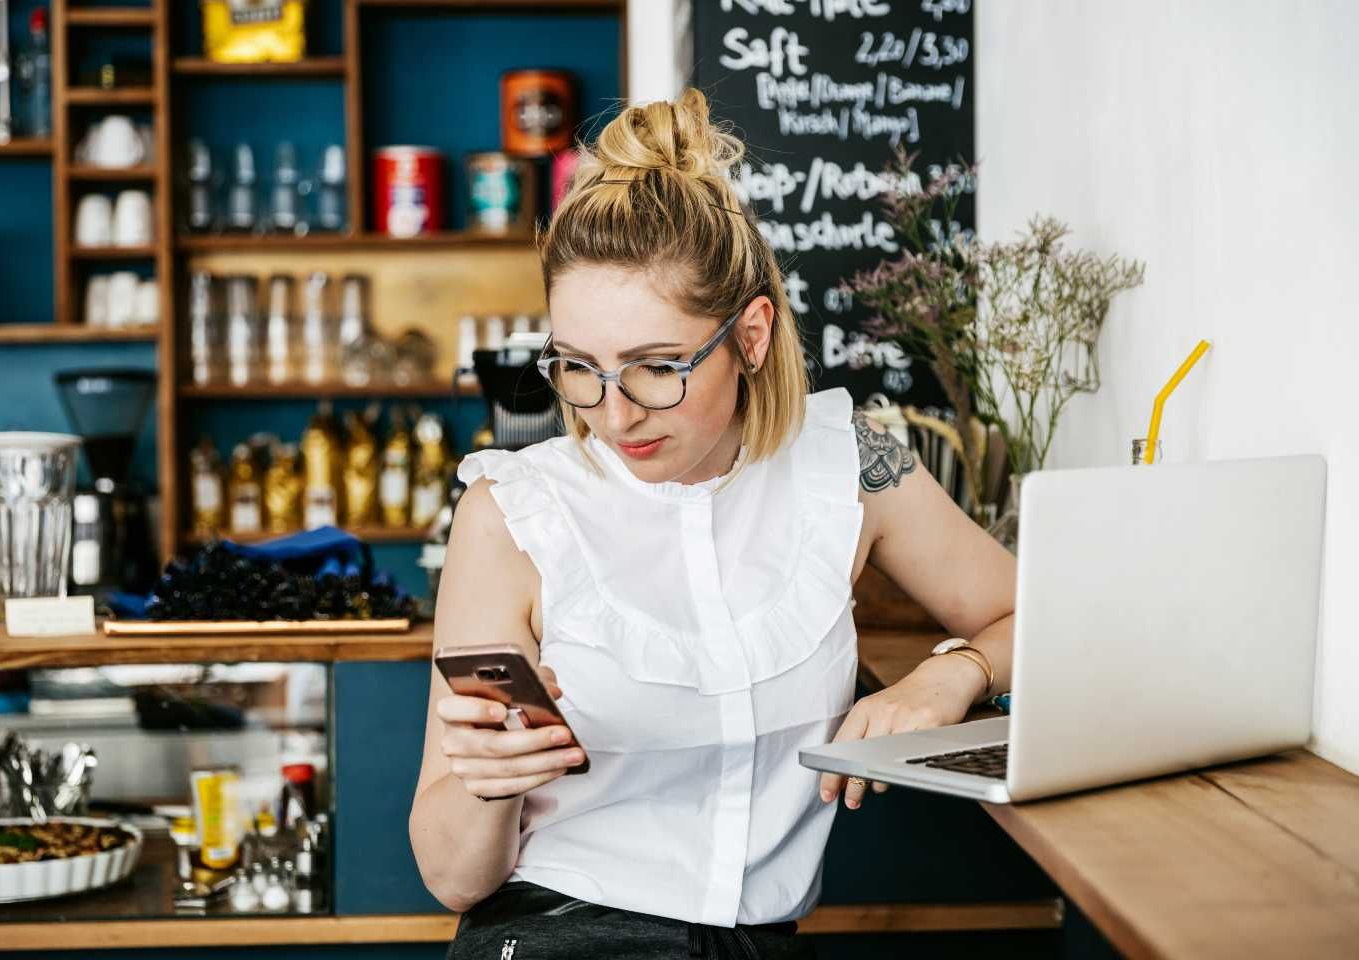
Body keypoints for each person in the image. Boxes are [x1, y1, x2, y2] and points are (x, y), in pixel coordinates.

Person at [410, 89, 1016, 959]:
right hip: (557, 932)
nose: (613, 415)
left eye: (658, 368)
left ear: (754, 335)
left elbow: (1042, 621)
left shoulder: (848, 466)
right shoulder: (512, 513)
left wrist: (952, 675)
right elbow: (452, 880)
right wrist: (489, 786)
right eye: (578, 368)